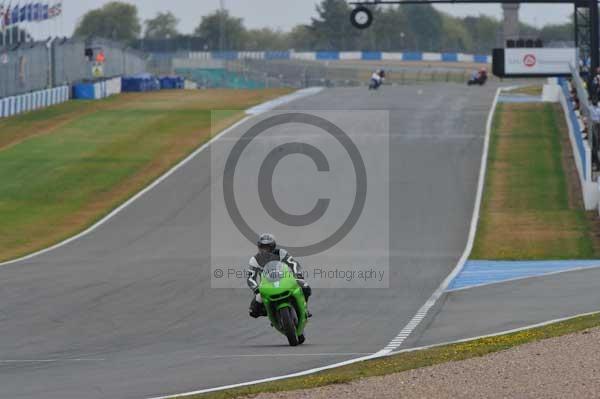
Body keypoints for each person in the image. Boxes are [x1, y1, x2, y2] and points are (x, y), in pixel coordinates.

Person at [247, 233, 312, 318]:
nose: (264, 250)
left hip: (286, 280)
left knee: (305, 287)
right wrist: (256, 288)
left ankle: (304, 308)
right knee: (253, 311)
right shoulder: (254, 260)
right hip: (267, 285)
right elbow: (250, 278)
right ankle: (271, 313)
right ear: (259, 247)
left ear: (273, 247)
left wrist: (298, 274)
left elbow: (293, 264)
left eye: (267, 247)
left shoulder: (281, 253)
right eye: (262, 247)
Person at [589, 97, 600, 170]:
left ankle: (595, 163)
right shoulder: (598, 109)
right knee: (595, 143)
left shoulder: (590, 108)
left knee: (595, 143)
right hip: (596, 124)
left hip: (595, 124)